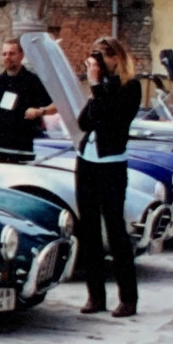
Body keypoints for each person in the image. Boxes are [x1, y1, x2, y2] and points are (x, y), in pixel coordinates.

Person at [74, 37, 141, 317]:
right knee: (88, 230)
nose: (97, 64)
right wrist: (95, 89)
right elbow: (84, 122)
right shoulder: (100, 88)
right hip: (87, 161)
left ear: (115, 58)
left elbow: (112, 118)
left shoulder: (130, 87)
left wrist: (97, 87)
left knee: (115, 230)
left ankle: (128, 298)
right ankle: (95, 295)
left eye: (101, 57)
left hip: (111, 165)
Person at [0, 38, 57, 153]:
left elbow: (56, 106)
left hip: (19, 146)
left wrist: (39, 112)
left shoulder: (33, 82)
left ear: (21, 55)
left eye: (11, 54)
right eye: (4, 54)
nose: (7, 57)